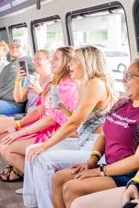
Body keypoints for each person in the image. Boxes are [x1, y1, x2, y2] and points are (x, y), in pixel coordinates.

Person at [22, 46, 116, 208]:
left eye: (74, 60)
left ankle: (46, 205)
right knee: (31, 149)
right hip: (85, 141)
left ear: (87, 63)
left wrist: (45, 146)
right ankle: (33, 202)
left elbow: (74, 124)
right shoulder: (85, 84)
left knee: (41, 157)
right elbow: (82, 121)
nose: (70, 64)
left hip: (95, 148)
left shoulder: (96, 84)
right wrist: (64, 109)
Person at [50, 59, 139, 208]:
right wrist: (92, 161)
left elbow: (136, 161)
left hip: (127, 173)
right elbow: (104, 135)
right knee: (58, 178)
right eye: (124, 75)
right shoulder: (122, 103)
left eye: (129, 76)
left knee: (71, 188)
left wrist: (100, 171)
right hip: (107, 165)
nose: (123, 80)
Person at [0, 47, 77, 183]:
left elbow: (51, 120)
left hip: (55, 132)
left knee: (7, 147)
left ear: (66, 62)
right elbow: (34, 107)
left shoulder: (68, 87)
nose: (52, 61)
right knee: (4, 141)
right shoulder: (53, 83)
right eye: (51, 58)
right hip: (42, 125)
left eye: (55, 59)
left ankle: (44, 184)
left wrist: (20, 132)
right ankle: (35, 183)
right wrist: (19, 125)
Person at [0, 39, 34, 118]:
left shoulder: (27, 60)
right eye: (12, 47)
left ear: (23, 48)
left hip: (13, 103)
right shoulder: (7, 67)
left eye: (17, 47)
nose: (14, 49)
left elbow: (38, 69)